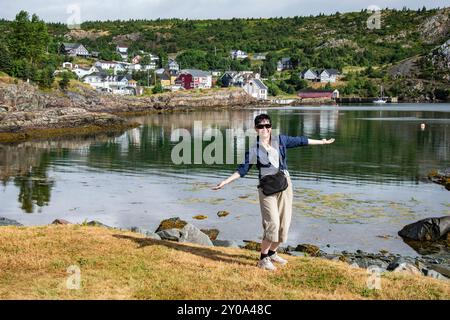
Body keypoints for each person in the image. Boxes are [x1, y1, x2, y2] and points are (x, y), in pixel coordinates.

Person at [212, 114, 335, 271]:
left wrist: (322, 142)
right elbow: (242, 170)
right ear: (256, 129)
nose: (265, 129)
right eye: (261, 126)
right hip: (267, 189)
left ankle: (272, 253)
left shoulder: (281, 140)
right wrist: (225, 182)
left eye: (267, 126)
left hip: (285, 185)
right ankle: (263, 259)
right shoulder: (254, 149)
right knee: (273, 224)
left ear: (271, 127)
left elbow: (301, 141)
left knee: (284, 224)